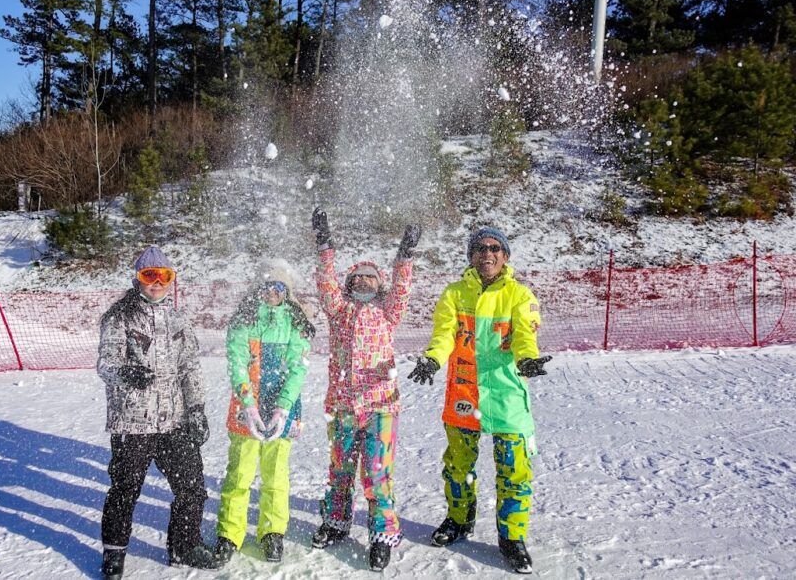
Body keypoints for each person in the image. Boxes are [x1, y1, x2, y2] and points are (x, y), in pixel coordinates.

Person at [408, 227, 552, 575]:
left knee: (514, 472)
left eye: (494, 248)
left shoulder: (519, 294)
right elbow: (443, 335)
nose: (486, 254)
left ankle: (511, 538)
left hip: (506, 396)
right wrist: (432, 359)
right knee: (458, 467)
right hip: (463, 393)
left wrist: (527, 360)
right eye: (479, 249)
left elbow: (524, 336)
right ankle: (459, 520)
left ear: (505, 256)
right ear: (470, 256)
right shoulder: (455, 294)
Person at [309, 207, 421, 573]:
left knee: (376, 474)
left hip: (380, 407)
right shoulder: (338, 310)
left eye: (371, 278)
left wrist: (404, 256)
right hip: (342, 405)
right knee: (340, 470)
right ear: (349, 283)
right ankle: (337, 522)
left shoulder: (388, 312)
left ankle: (381, 534)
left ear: (379, 285)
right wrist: (325, 246)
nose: (364, 282)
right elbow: (325, 281)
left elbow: (402, 287)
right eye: (358, 277)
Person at [96, 246, 215, 580]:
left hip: (174, 420)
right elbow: (106, 364)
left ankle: (184, 545)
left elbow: (190, 367)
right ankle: (115, 554)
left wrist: (197, 409)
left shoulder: (178, 319)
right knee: (125, 490)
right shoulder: (119, 316)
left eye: (164, 276)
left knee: (192, 486)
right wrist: (126, 373)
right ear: (138, 278)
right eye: (150, 276)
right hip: (132, 421)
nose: (157, 283)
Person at [211, 260, 315, 567]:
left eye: (278, 287)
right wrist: (249, 403)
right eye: (266, 286)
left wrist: (283, 407)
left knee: (275, 476)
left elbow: (297, 369)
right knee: (239, 474)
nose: (270, 292)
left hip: (282, 408)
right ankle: (230, 534)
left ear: (286, 292)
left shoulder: (296, 322)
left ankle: (272, 532)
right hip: (247, 409)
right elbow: (237, 362)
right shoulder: (243, 320)